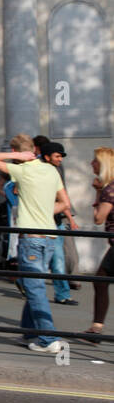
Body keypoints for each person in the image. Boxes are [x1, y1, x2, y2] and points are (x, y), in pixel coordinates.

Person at [0, 140, 74, 353]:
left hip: (31, 239)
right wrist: (43, 209)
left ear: (19, 153)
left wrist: (19, 159)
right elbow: (65, 204)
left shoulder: (22, 170)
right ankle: (29, 332)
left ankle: (47, 338)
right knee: (34, 286)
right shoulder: (52, 172)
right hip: (49, 237)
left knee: (35, 289)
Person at [39, 142, 79, 305]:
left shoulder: (58, 170)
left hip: (56, 220)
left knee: (58, 259)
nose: (60, 159)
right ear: (47, 157)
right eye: (57, 156)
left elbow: (63, 196)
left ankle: (62, 294)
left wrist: (69, 217)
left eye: (61, 156)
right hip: (40, 221)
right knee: (42, 259)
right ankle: (27, 281)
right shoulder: (38, 170)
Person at [88, 147, 114, 342]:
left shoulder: (109, 189)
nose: (91, 164)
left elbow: (99, 219)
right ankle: (96, 327)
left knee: (100, 279)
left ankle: (96, 329)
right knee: (101, 279)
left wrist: (97, 193)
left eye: (95, 161)